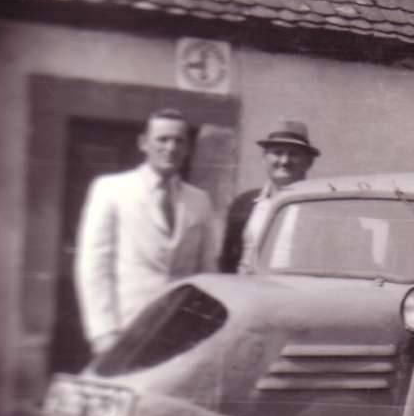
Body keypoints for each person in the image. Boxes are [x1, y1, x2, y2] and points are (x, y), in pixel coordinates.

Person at [75, 108, 219, 355]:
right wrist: (103, 332)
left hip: (180, 333)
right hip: (126, 329)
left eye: (179, 141)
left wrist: (200, 329)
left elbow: (207, 272)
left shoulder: (199, 201)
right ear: (143, 143)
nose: (171, 148)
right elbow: (94, 267)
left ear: (187, 148)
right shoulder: (112, 190)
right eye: (162, 139)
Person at [219, 119, 320, 274]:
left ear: (309, 162)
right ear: (264, 157)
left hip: (292, 287)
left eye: (293, 154)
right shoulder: (243, 203)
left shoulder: (317, 207)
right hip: (245, 286)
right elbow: (227, 259)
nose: (285, 161)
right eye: (278, 152)